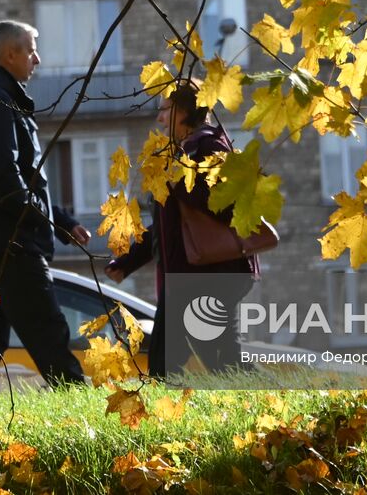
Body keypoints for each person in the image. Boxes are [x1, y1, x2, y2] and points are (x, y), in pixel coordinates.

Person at [0, 20, 90, 391]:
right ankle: (84, 417)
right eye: (31, 50)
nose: (38, 59)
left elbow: (21, 176)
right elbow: (2, 175)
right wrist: (40, 219)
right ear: (10, 54)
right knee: (49, 335)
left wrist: (60, 221)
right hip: (12, 242)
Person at [105, 79, 258, 376]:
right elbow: (171, 225)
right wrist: (130, 260)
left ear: (183, 111)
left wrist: (178, 179)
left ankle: (162, 416)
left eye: (164, 109)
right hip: (193, 274)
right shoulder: (182, 153)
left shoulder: (209, 146)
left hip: (208, 274)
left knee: (170, 364)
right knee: (220, 364)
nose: (159, 118)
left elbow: (226, 204)